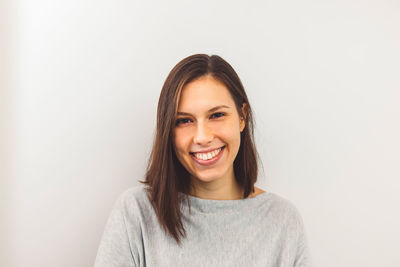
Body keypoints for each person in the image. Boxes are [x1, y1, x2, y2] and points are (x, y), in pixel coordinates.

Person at [94, 54, 312, 267]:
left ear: (242, 116)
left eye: (216, 115)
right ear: (168, 131)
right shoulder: (136, 214)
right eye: (184, 120)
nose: (202, 137)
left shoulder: (283, 221)